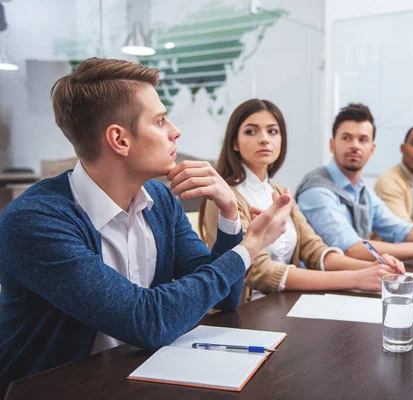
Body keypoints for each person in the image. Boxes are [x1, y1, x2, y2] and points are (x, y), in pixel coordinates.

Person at [0, 58, 292, 395]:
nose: (174, 131)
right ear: (120, 140)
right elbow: (148, 320)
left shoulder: (160, 199)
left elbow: (224, 296)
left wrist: (229, 212)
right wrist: (251, 245)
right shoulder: (34, 222)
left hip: (138, 376)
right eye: (160, 120)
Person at [199, 99, 405, 303]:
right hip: (243, 314)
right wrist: (355, 278)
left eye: (272, 131)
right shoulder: (224, 198)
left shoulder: (280, 192)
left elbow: (314, 249)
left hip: (283, 305)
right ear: (234, 143)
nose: (264, 139)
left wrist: (373, 267)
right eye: (251, 131)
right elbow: (259, 271)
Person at [296, 103, 413, 262]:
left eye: (363, 140)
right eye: (346, 138)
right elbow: (351, 248)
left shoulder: (361, 190)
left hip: (354, 279)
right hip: (319, 291)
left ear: (372, 149)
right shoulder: (317, 190)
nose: (355, 146)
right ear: (331, 145)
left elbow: (400, 229)